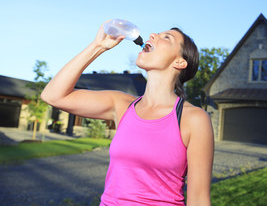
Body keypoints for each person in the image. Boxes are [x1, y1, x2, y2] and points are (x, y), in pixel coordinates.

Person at [41, 21, 214, 205]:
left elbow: (198, 199)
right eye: (156, 34)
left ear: (180, 62)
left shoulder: (194, 119)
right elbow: (53, 96)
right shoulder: (122, 105)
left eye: (166, 37)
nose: (152, 34)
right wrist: (98, 47)